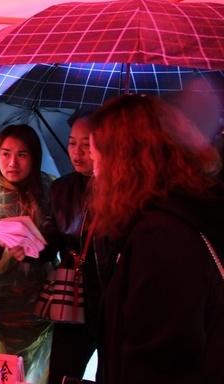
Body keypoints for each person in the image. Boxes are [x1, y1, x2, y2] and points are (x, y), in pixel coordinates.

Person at [88, 94, 224, 384]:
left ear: (122, 163)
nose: (95, 173)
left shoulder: (161, 237)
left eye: (97, 158)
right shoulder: (175, 218)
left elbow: (158, 363)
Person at [0, 124, 54, 384]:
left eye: (22, 155)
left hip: (43, 302)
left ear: (34, 157)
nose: (12, 163)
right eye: (5, 154)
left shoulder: (50, 190)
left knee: (38, 372)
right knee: (1, 370)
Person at [45, 114, 119, 384]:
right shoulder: (61, 188)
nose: (77, 152)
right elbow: (49, 242)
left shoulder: (122, 192)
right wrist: (24, 245)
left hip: (112, 299)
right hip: (74, 296)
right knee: (62, 372)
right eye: (72, 143)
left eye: (86, 144)